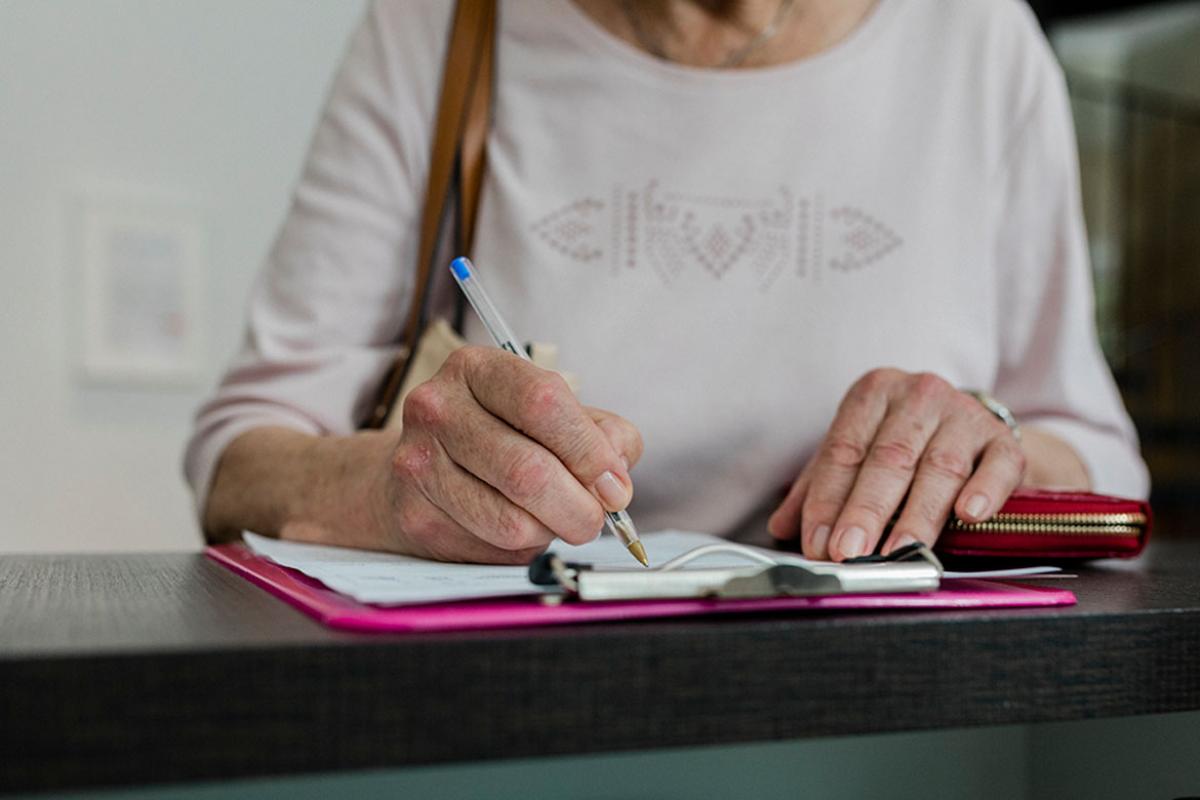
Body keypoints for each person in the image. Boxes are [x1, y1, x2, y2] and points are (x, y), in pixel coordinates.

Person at [184, 0, 1149, 565]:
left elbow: (1103, 463)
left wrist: (984, 444)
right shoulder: (441, 26)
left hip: (906, 712)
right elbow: (238, 463)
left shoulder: (982, 41)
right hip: (510, 705)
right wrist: (394, 490)